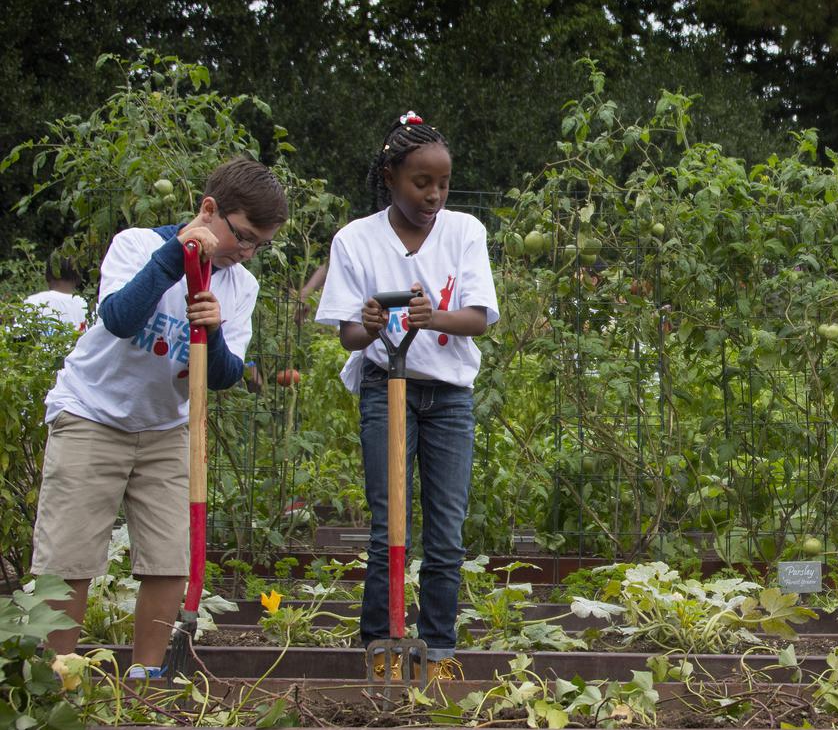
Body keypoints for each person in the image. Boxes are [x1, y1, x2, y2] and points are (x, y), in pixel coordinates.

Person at [36, 158, 286, 677]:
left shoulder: (241, 286)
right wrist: (176, 258)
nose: (246, 253)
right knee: (69, 558)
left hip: (167, 429)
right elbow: (120, 318)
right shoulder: (136, 245)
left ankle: (145, 681)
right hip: (92, 415)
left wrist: (213, 329)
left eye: (259, 245)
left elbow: (221, 375)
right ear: (209, 210)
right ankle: (54, 680)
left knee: (170, 559)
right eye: (242, 237)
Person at [315, 111, 498, 681]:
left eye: (442, 183)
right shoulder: (355, 239)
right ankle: (380, 643)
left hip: (447, 399)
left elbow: (479, 318)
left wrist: (431, 315)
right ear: (391, 175)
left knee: (446, 528)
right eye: (422, 182)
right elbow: (347, 331)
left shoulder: (465, 231)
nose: (434, 195)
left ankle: (437, 647)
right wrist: (371, 323)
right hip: (383, 387)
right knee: (387, 522)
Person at [24, 259, 90, 332]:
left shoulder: (33, 302)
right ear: (79, 278)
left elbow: (18, 337)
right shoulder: (90, 305)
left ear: (47, 276)